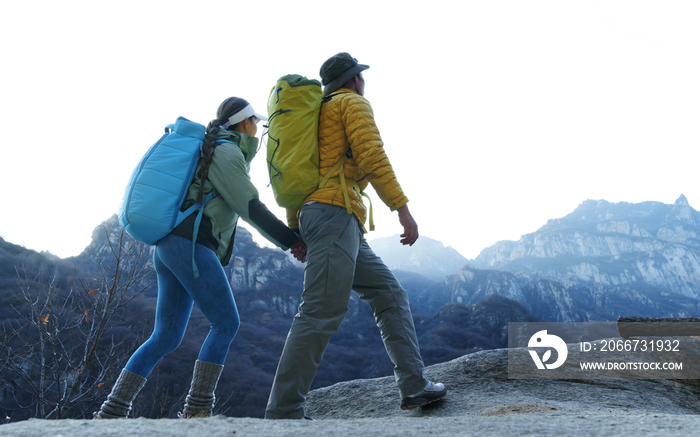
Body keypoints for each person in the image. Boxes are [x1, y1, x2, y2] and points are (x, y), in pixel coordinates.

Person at [95, 97, 307, 419]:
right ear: (244, 123)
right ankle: (197, 410)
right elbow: (249, 206)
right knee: (226, 323)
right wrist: (292, 240)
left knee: (165, 336)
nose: (259, 130)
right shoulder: (227, 152)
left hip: (170, 248)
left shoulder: (217, 149)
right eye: (256, 124)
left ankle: (111, 412)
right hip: (190, 246)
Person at [264, 53, 446, 420]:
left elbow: (296, 176)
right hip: (334, 215)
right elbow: (372, 154)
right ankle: (283, 412)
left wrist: (296, 226)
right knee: (320, 311)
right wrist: (402, 208)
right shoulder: (351, 103)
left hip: (328, 215)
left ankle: (414, 386)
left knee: (390, 293)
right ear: (354, 80)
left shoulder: (316, 114)